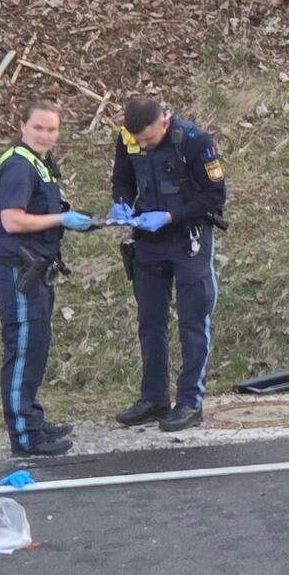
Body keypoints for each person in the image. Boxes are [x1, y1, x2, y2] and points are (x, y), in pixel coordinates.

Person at [110, 97, 227, 432]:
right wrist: (122, 204)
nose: (144, 145)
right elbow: (123, 180)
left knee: (192, 321)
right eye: (139, 141)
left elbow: (214, 196)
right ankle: (154, 398)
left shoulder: (195, 142)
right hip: (149, 240)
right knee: (150, 322)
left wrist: (170, 216)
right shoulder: (128, 139)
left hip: (189, 239)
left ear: (164, 121)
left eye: (149, 139)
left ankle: (190, 401)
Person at [0, 102, 95, 457]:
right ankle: (25, 436)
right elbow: (12, 220)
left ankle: (32, 419)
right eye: (39, 128)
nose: (46, 135)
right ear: (22, 125)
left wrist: (75, 219)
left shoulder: (40, 163)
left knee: (35, 348)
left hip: (36, 270)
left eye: (52, 129)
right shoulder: (19, 165)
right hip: (18, 271)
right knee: (22, 351)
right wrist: (62, 220)